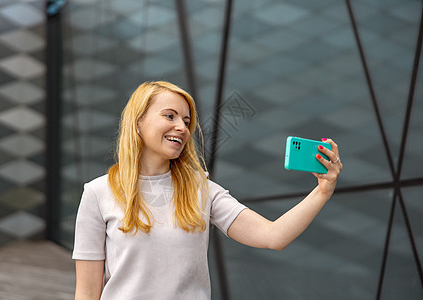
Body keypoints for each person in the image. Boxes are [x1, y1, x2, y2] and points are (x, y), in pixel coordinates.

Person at [72, 81, 343, 300]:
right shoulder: (98, 193)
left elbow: (273, 236)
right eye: (170, 115)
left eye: (186, 121)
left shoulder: (201, 189)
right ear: (138, 123)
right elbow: (86, 293)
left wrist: (323, 190)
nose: (182, 126)